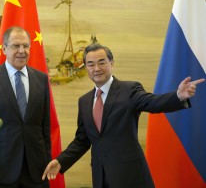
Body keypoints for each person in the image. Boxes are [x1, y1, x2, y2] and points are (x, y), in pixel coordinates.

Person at [42, 42, 205, 188]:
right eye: (90, 64)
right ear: (86, 68)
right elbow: (82, 141)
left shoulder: (130, 90)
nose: (96, 68)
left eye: (101, 62)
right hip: (101, 177)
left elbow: (153, 102)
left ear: (111, 63)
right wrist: (60, 161)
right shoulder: (84, 101)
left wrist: (177, 96)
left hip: (130, 176)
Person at [0, 26, 51, 188]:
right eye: (16, 46)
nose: (22, 51)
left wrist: (47, 161)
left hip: (36, 171)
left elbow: (45, 126)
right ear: (4, 49)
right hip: (1, 170)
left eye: (26, 46)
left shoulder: (41, 79)